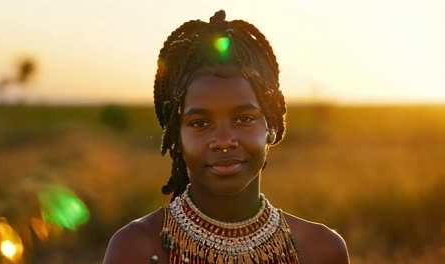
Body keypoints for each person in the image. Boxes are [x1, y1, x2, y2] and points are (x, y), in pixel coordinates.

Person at [103, 10, 350, 264]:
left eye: (243, 119)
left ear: (272, 124)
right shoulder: (137, 249)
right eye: (200, 123)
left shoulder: (321, 250)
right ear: (177, 135)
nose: (223, 140)